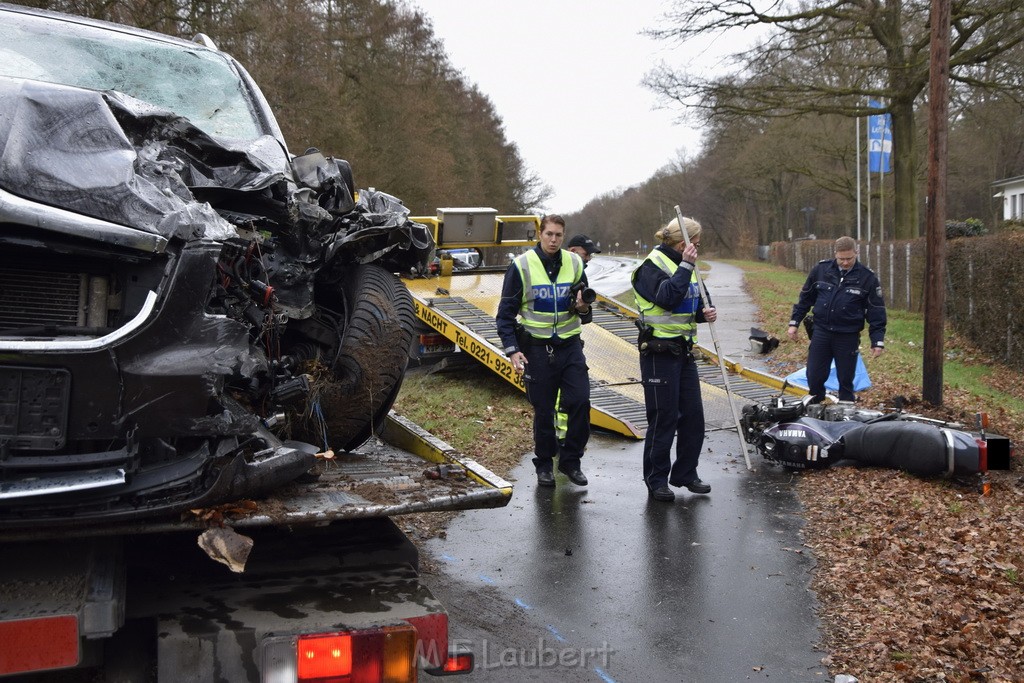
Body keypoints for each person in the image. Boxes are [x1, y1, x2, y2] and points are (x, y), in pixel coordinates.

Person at [496, 215, 593, 487]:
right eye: (549, 234)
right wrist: (513, 350)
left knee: (580, 402)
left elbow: (585, 312)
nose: (553, 240)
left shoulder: (575, 263)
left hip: (571, 345)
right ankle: (544, 464)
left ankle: (571, 462)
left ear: (564, 236)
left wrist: (583, 307)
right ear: (539, 234)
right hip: (537, 348)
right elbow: (504, 315)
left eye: (558, 235)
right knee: (544, 410)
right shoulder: (522, 265)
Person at [631, 216, 717, 503]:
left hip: (684, 351)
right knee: (663, 418)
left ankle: (685, 473)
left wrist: (703, 314)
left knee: (693, 418)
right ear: (684, 244)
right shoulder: (650, 267)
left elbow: (693, 300)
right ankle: (656, 479)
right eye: (696, 244)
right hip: (658, 353)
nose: (698, 249)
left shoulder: (687, 266)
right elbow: (667, 297)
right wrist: (686, 266)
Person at [787, 235, 886, 403]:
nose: (845, 263)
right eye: (841, 259)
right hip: (822, 332)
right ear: (835, 254)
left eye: (849, 258)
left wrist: (877, 341)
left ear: (856, 252)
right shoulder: (821, 270)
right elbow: (805, 298)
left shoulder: (867, 278)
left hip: (847, 335)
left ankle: (846, 410)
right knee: (815, 374)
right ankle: (815, 405)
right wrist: (794, 322)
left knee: (846, 378)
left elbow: (876, 311)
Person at [555, 234, 600, 442]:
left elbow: (587, 316)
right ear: (573, 251)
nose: (589, 258)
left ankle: (570, 442)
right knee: (558, 398)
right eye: (586, 253)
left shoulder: (580, 273)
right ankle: (559, 439)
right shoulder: (555, 269)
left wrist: (581, 307)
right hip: (547, 345)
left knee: (577, 397)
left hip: (571, 343)